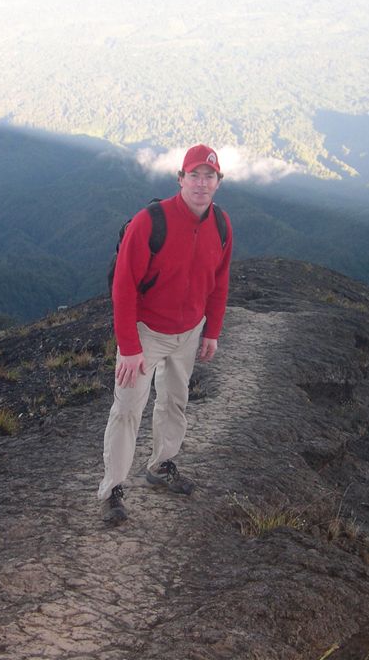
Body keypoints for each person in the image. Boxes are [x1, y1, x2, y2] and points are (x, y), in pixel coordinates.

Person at [98, 144, 233, 524]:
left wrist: (212, 330)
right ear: (180, 178)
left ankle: (161, 464)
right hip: (146, 333)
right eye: (194, 175)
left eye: (209, 176)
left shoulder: (221, 225)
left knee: (175, 399)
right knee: (127, 409)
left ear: (218, 183)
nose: (202, 183)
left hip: (189, 332)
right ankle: (112, 489)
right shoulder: (150, 221)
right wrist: (128, 347)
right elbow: (123, 287)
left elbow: (219, 282)